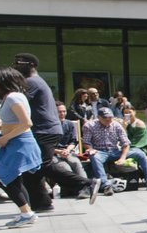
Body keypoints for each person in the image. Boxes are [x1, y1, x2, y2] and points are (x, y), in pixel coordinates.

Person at [13, 53, 98, 208]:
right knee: (32, 168)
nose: (15, 66)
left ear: (31, 65)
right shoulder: (35, 81)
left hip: (44, 130)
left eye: (18, 63)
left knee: (42, 164)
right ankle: (41, 203)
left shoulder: (31, 82)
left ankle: (86, 184)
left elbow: (19, 105)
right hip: (44, 129)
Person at [0, 67, 44, 227]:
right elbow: (11, 121)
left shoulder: (13, 97)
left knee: (5, 177)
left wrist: (5, 137)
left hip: (20, 142)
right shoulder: (12, 97)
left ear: (2, 80)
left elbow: (26, 123)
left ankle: (27, 213)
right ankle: (26, 212)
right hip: (16, 142)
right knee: (12, 178)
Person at [83, 107, 147, 192]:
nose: (108, 119)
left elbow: (125, 143)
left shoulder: (116, 124)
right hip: (100, 151)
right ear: (98, 117)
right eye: (105, 118)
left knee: (140, 153)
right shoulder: (89, 125)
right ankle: (105, 185)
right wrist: (90, 149)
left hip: (115, 150)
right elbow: (86, 142)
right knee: (94, 157)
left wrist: (122, 157)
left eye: (110, 117)